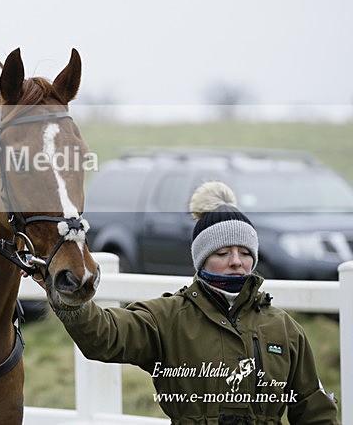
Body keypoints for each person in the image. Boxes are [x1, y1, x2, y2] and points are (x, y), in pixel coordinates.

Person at [49, 181, 339, 423]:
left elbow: (314, 409)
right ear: (201, 260)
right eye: (223, 252)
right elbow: (106, 335)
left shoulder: (284, 329)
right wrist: (72, 299)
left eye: (244, 252)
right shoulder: (167, 318)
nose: (236, 262)